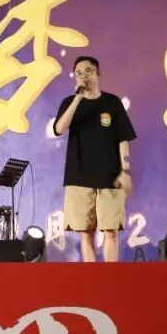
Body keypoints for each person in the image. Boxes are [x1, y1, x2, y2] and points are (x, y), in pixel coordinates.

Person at [53, 56, 136, 263]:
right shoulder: (69, 102)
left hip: (110, 177)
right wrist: (78, 98)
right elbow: (59, 129)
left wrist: (126, 171)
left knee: (111, 231)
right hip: (79, 176)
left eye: (88, 71)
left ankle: (110, 276)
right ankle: (92, 276)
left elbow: (123, 138)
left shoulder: (112, 102)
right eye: (79, 73)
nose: (84, 76)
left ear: (98, 73)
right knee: (86, 232)